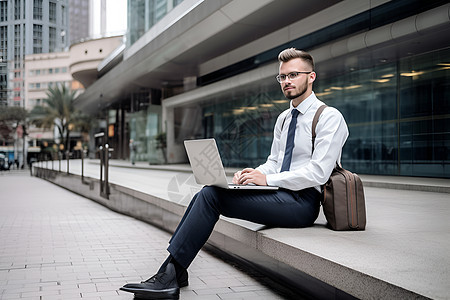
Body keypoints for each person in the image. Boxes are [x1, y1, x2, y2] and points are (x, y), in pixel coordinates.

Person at [120, 48, 349, 299]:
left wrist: (267, 179)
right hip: (278, 194)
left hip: (302, 203)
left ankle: (170, 274)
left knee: (211, 196)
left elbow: (318, 172)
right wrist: (253, 175)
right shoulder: (284, 118)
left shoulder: (329, 117)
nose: (286, 81)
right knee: (206, 193)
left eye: (293, 75)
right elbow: (275, 161)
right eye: (282, 77)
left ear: (311, 76)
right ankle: (173, 271)